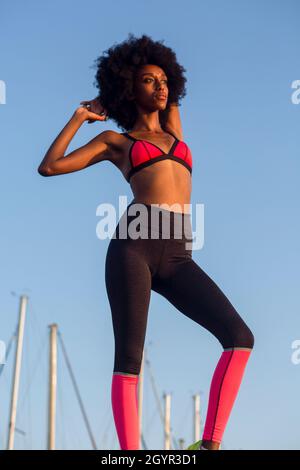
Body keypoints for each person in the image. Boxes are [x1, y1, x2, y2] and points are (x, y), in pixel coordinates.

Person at [38, 33, 254, 451]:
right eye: (149, 80)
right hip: (133, 245)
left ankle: (210, 445)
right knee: (129, 359)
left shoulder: (174, 129)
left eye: (164, 81)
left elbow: (172, 80)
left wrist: (165, 70)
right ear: (128, 89)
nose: (160, 87)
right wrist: (81, 117)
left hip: (177, 253)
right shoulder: (116, 142)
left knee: (239, 335)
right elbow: (49, 167)